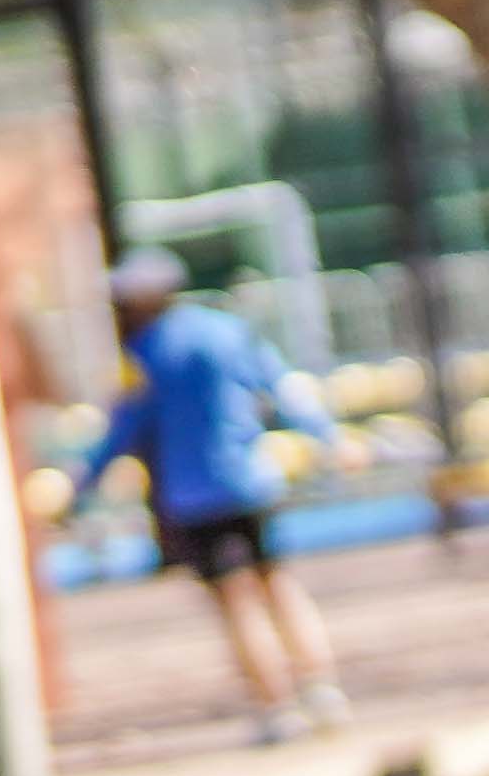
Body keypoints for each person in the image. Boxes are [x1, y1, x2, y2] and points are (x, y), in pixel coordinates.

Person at [82, 249, 347, 743]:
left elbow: (124, 429)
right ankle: (321, 686)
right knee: (279, 583)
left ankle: (276, 707)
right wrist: (327, 436)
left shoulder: (146, 356)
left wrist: (82, 483)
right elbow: (283, 389)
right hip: (252, 480)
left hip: (195, 494)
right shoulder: (228, 331)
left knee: (236, 601)